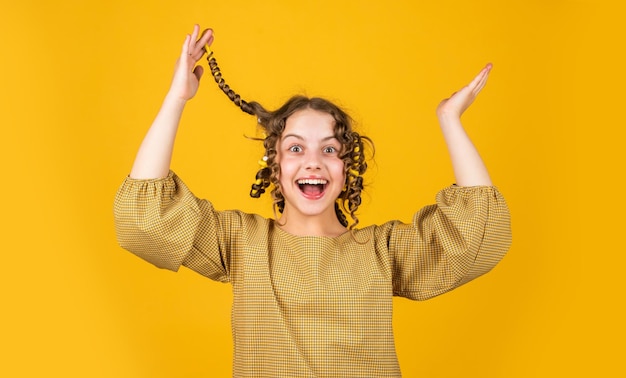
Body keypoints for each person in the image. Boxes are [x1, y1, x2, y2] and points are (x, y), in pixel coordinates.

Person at [114, 24, 511, 377]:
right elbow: (144, 218)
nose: (314, 163)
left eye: (329, 150)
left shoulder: (380, 251)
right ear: (275, 163)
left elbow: (478, 233)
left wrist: (450, 119)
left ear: (346, 168)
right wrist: (176, 97)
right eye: (296, 148)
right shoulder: (242, 242)